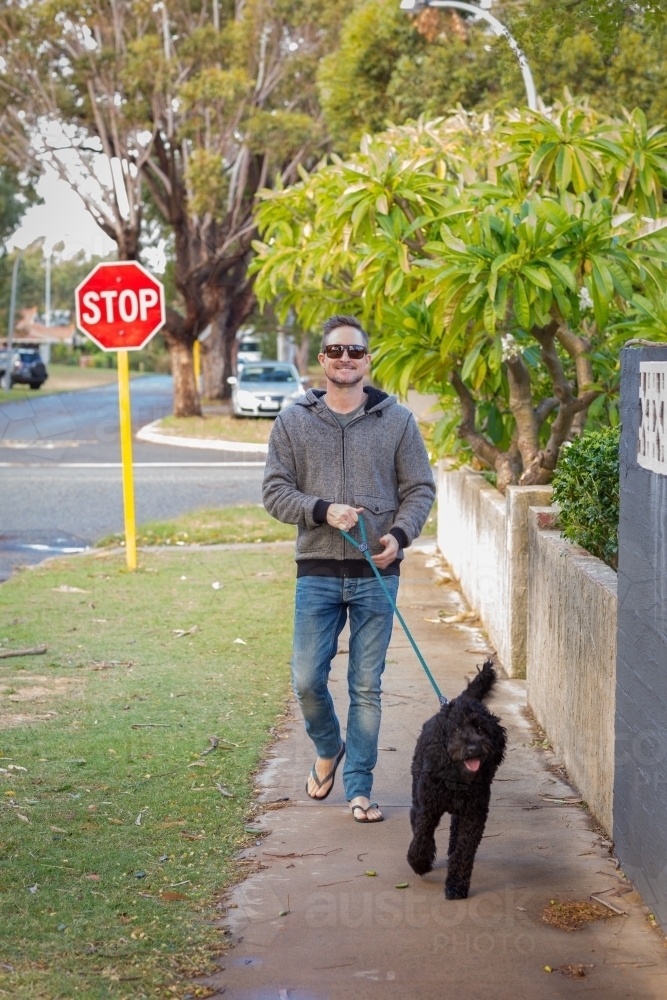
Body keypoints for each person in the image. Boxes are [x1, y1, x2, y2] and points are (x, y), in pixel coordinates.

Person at [263, 315, 435, 822]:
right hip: (316, 569)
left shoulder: (398, 421)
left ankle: (359, 788)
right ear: (322, 361)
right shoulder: (293, 420)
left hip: (375, 574)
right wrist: (322, 509)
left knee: (366, 685)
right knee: (307, 679)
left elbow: (419, 489)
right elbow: (274, 491)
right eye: (335, 352)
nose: (345, 360)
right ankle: (328, 746)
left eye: (354, 352)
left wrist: (398, 537)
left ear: (367, 359)